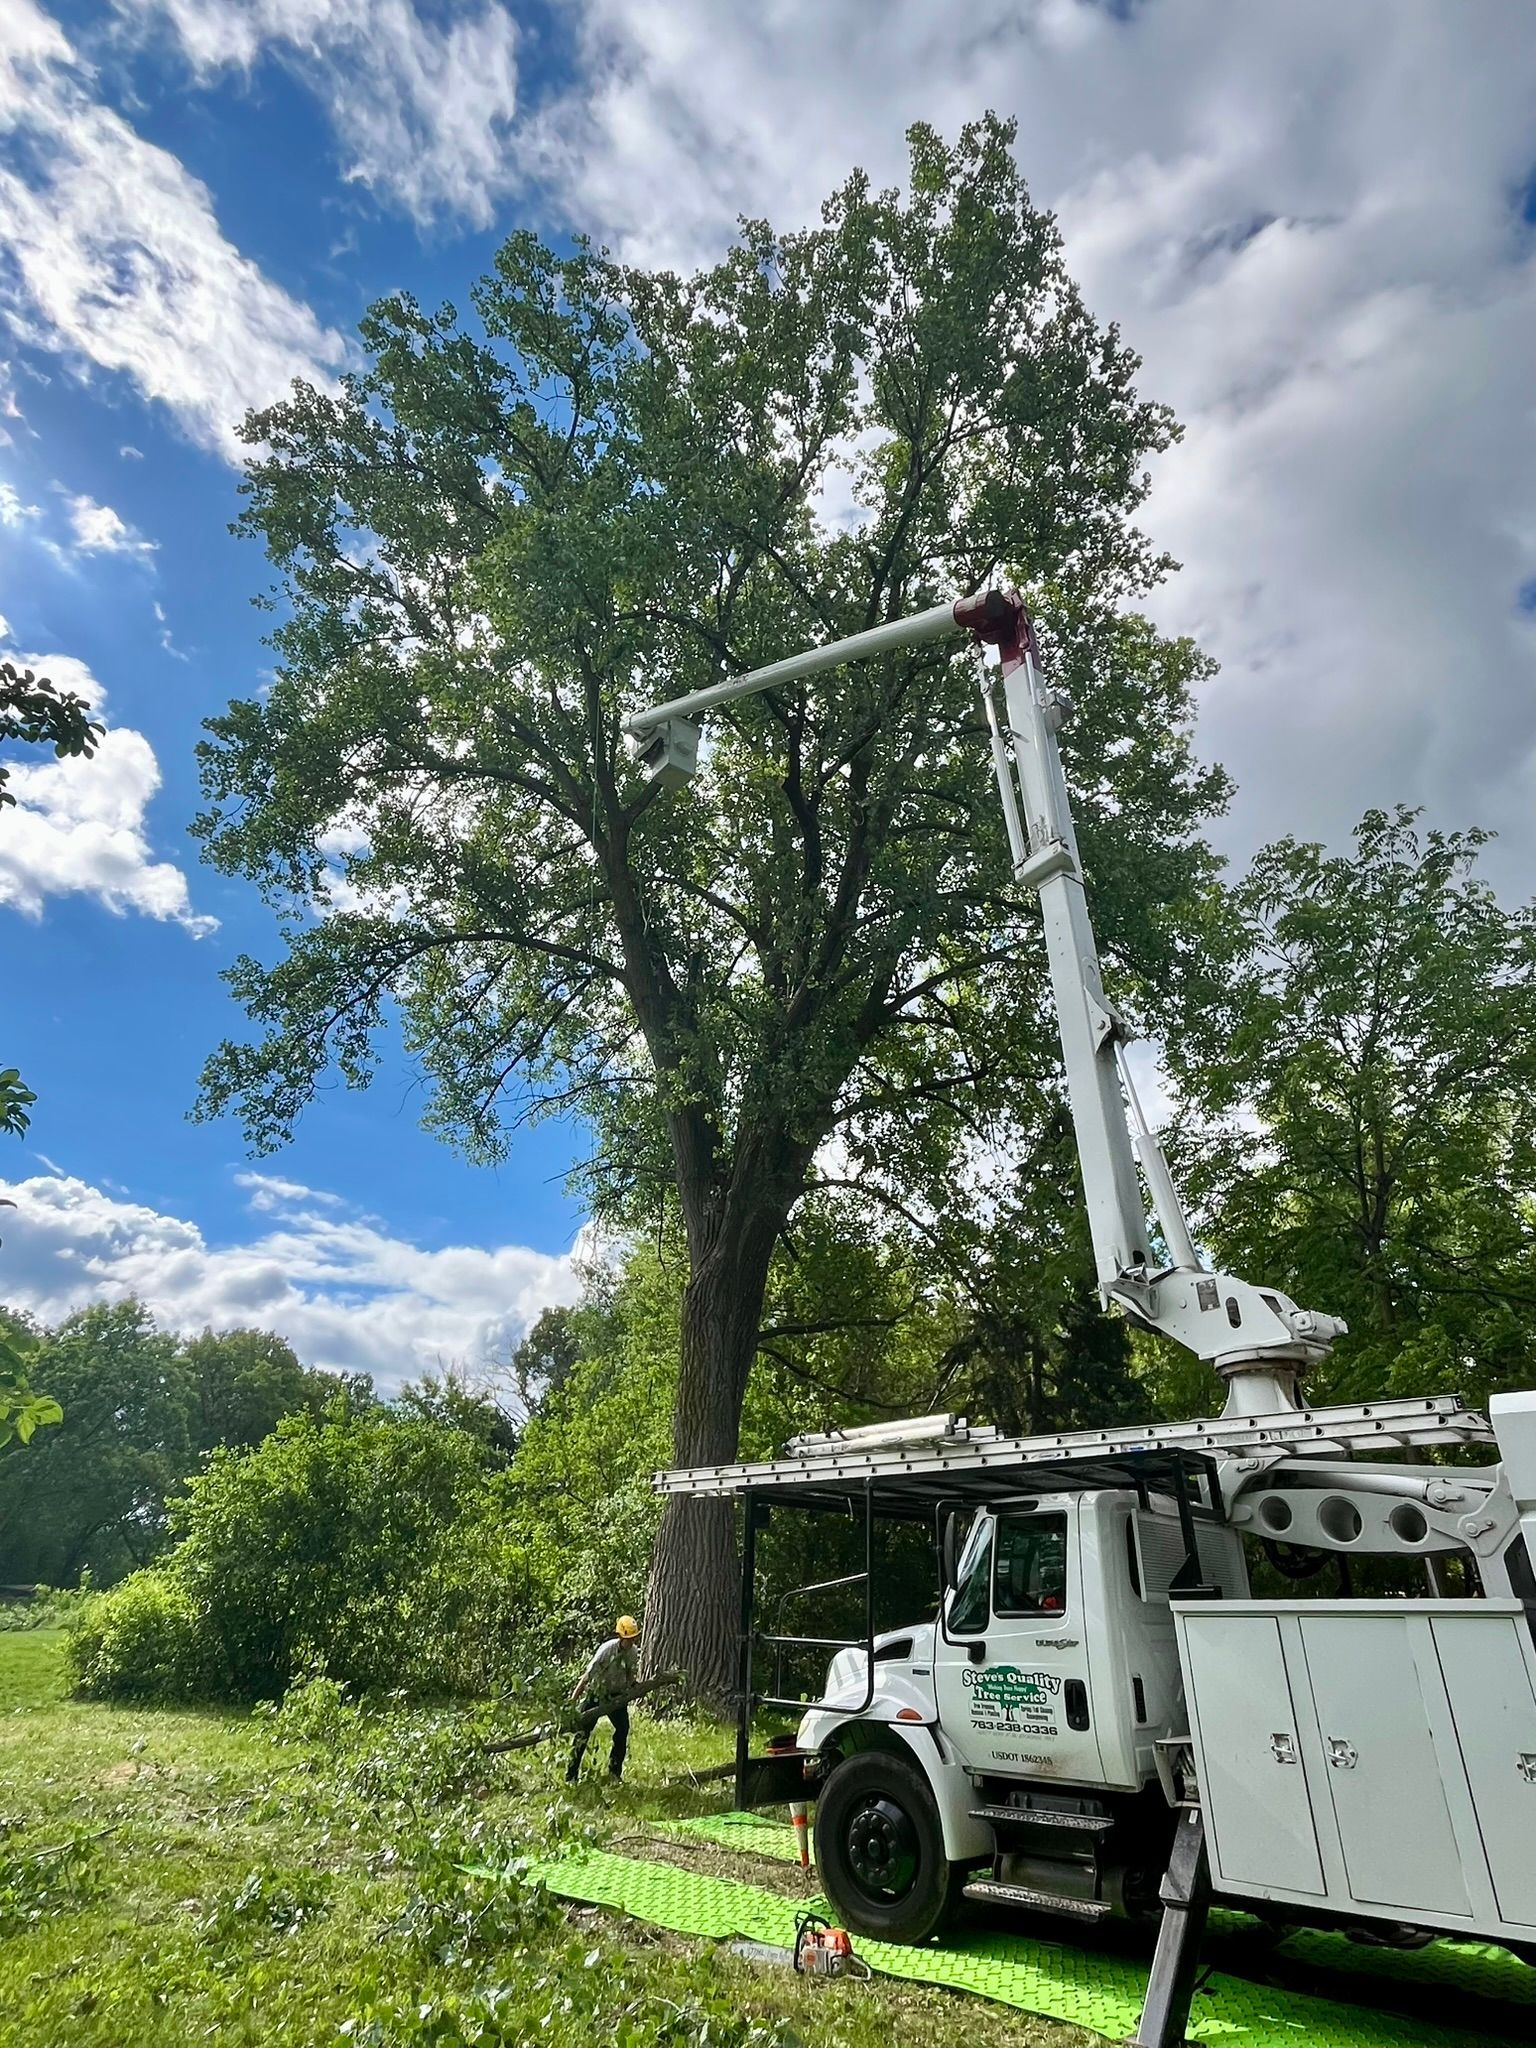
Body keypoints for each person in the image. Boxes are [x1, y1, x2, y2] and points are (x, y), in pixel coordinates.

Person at [566, 1614, 641, 1783]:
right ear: (620, 1636)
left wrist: (632, 1686)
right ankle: (571, 1776)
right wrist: (572, 1701)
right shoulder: (606, 1650)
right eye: (628, 1639)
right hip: (596, 1694)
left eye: (633, 1639)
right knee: (582, 1733)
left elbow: (630, 1673)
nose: (631, 1643)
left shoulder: (633, 1652)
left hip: (616, 1695)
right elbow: (586, 1677)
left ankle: (614, 1774)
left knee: (623, 1729)